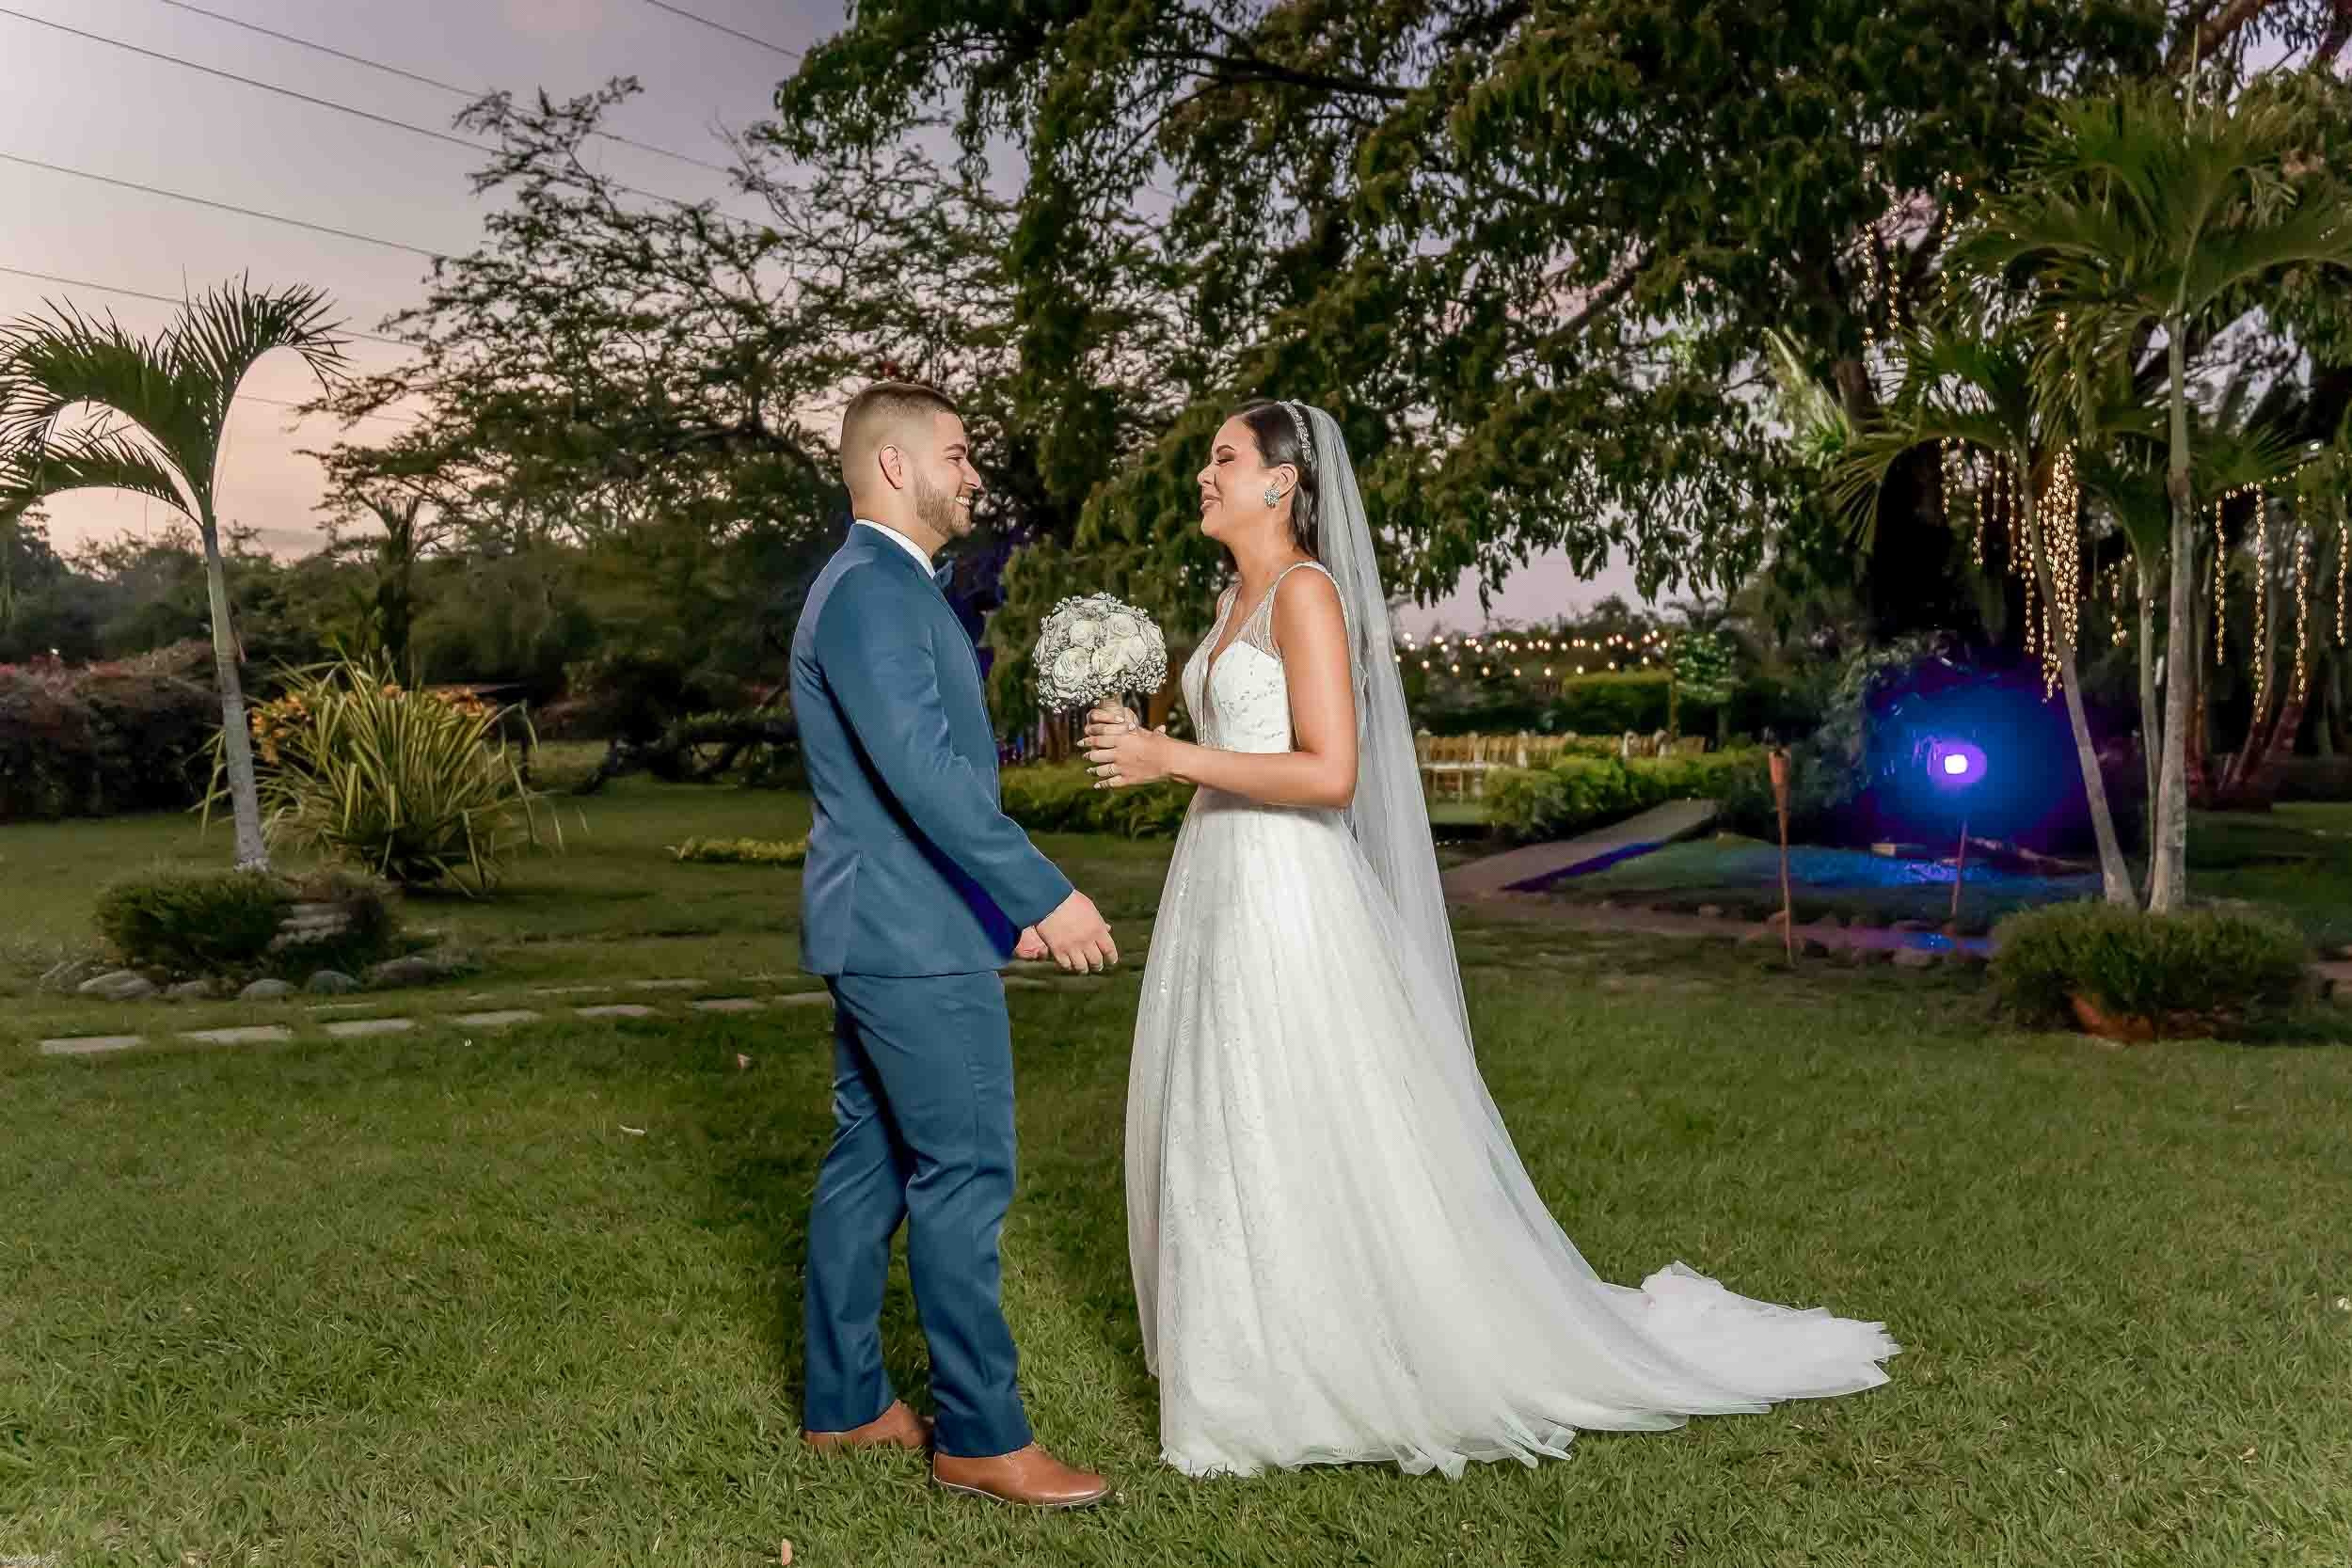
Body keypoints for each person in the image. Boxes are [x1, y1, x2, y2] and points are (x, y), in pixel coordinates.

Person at [1081, 399, 1897, 1479]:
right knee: (1227, 1108)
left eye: (1224, 458)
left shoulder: (1306, 593)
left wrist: (1171, 760)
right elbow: (1249, 742)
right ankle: (1242, 1360)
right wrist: (1150, 745)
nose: (1205, 474)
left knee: (1288, 1104)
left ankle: (1318, 1367)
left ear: (1282, 482)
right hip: (1218, 883)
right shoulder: (1233, 598)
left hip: (1288, 890)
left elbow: (1332, 774)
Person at [790, 381, 1116, 1507]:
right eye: (960, 453)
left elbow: (909, 787)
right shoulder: (875, 590)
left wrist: (998, 910)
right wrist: (1044, 890)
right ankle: (981, 1434)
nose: (974, 473)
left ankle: (844, 1402)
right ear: (894, 467)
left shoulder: (876, 585)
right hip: (909, 942)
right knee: (965, 1172)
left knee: (869, 1164)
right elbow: (924, 774)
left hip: (891, 923)